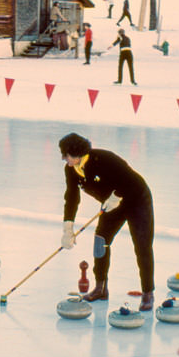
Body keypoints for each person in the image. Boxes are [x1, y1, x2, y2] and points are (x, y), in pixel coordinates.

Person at [58, 132, 154, 308]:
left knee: (142, 245)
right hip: (111, 205)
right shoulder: (71, 170)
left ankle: (148, 293)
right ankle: (101, 288)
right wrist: (68, 227)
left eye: (67, 155)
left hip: (136, 198)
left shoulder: (104, 159)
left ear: (77, 152)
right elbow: (72, 197)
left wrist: (116, 196)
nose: (64, 158)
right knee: (100, 241)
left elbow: (130, 180)